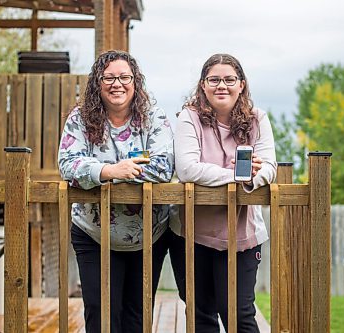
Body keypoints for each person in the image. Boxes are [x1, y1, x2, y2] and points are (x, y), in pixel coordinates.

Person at [58, 50, 174, 333]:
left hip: (149, 234)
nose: (117, 83)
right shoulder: (80, 118)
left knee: (137, 315)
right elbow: (67, 163)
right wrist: (110, 171)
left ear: (136, 82)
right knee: (100, 313)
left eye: (124, 77)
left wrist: (107, 171)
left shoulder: (153, 117)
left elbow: (164, 166)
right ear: (98, 82)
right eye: (108, 77)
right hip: (93, 233)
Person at [169, 53, 277, 332]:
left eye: (229, 79)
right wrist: (236, 176)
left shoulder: (257, 119)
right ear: (203, 85)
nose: (222, 86)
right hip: (191, 234)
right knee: (201, 316)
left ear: (241, 84)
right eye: (214, 79)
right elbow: (188, 170)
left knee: (239, 316)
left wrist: (254, 177)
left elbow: (269, 166)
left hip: (242, 236)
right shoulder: (188, 117)